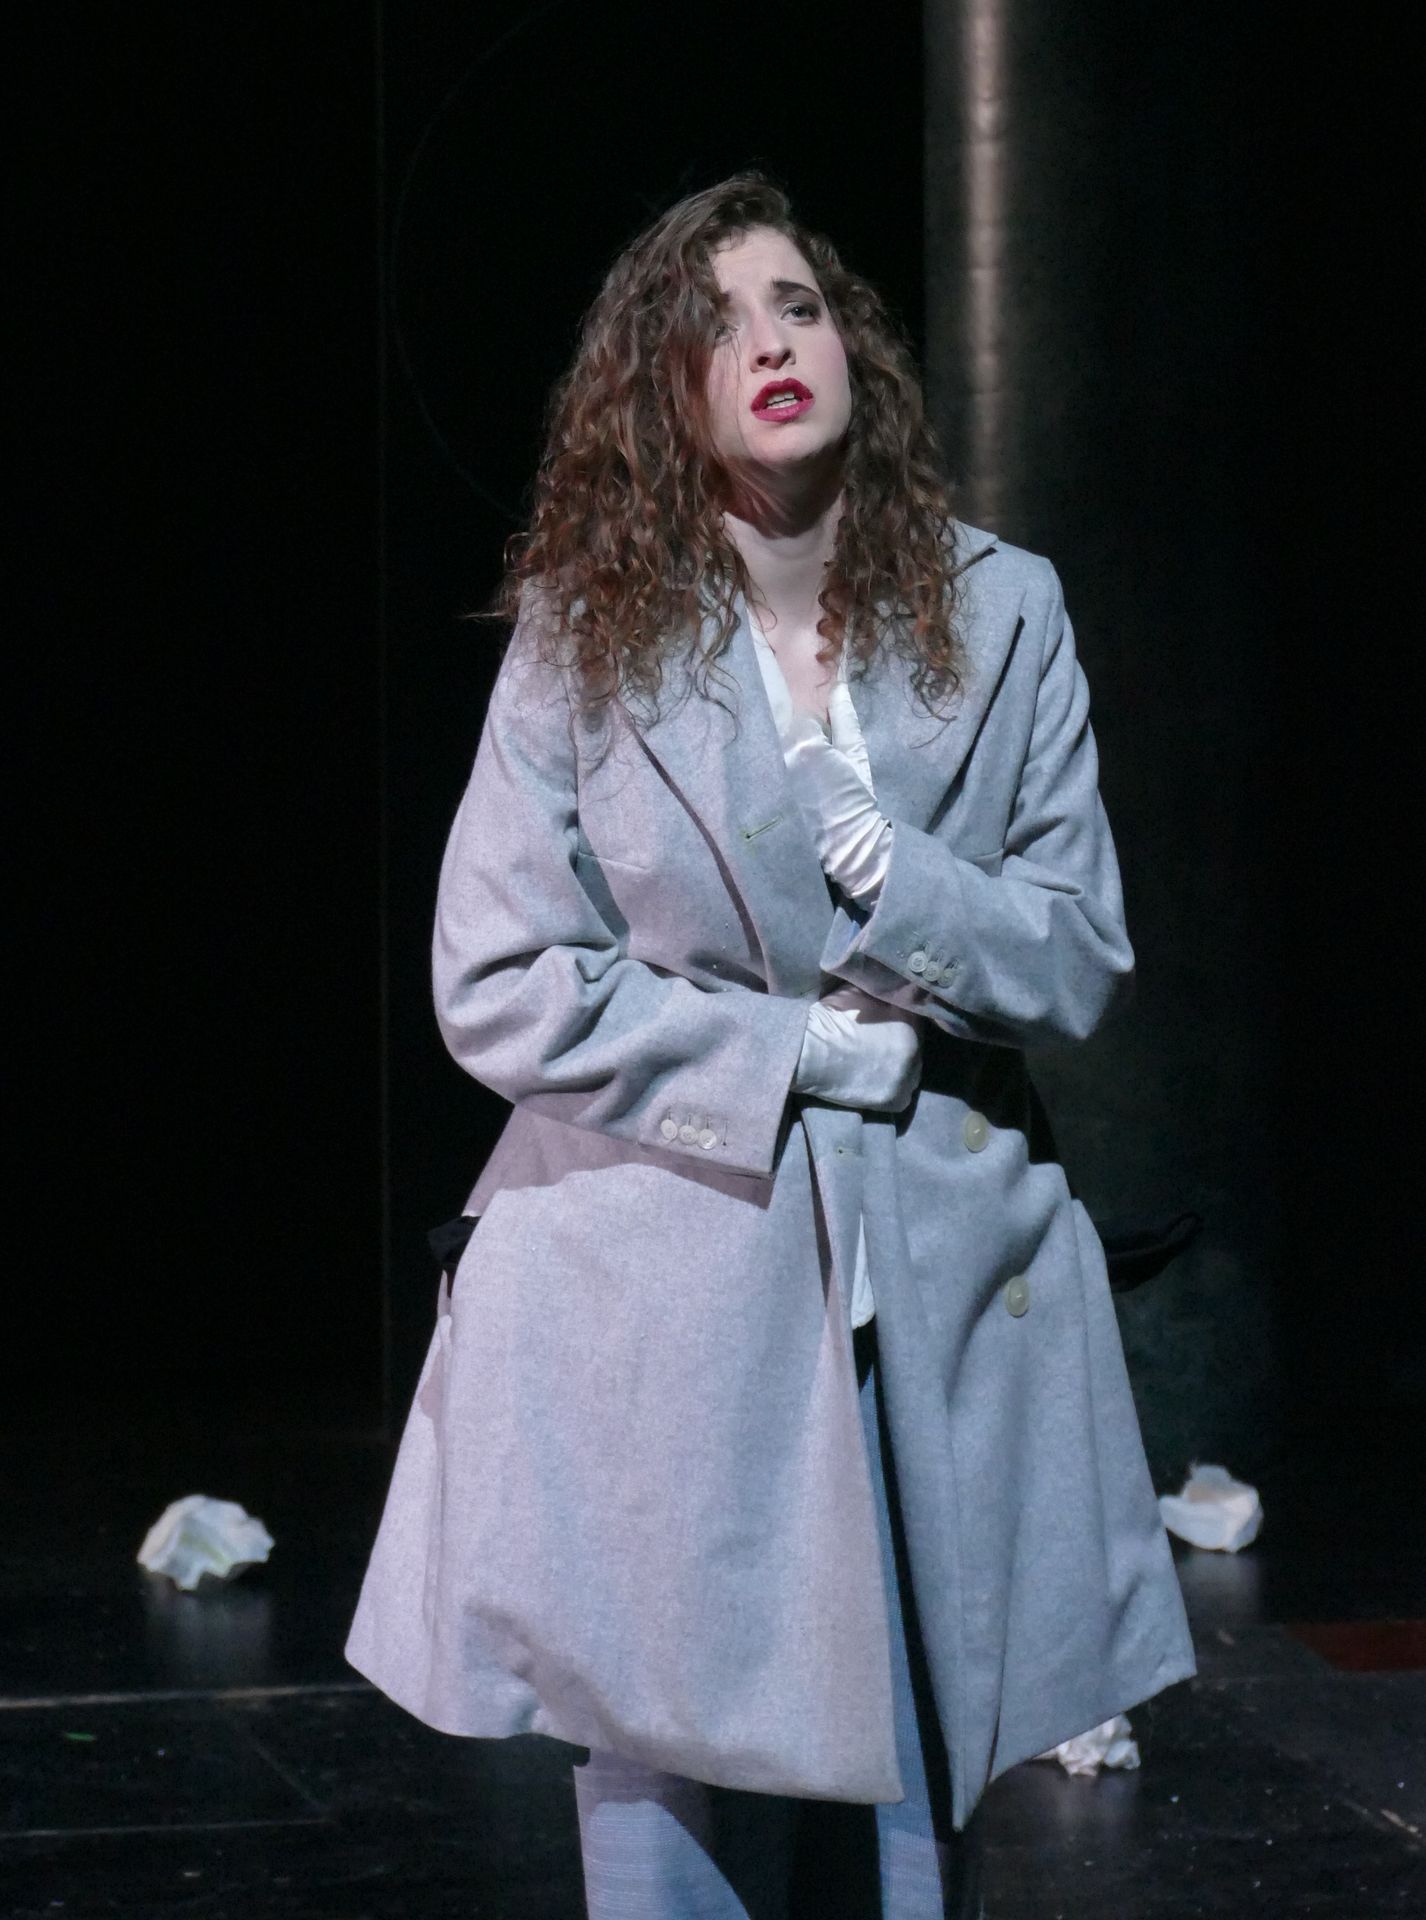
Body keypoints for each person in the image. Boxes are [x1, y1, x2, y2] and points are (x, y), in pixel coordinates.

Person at [345, 172, 1197, 1919]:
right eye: (712, 326)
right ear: (660, 397)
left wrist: (912, 888)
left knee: (914, 1725)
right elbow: (497, 973)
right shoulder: (588, 631)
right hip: (660, 1247)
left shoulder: (1003, 608)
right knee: (653, 1746)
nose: (766, 343)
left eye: (794, 304)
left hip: (928, 1251)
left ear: (851, 345)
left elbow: (1077, 953)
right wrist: (786, 1049)